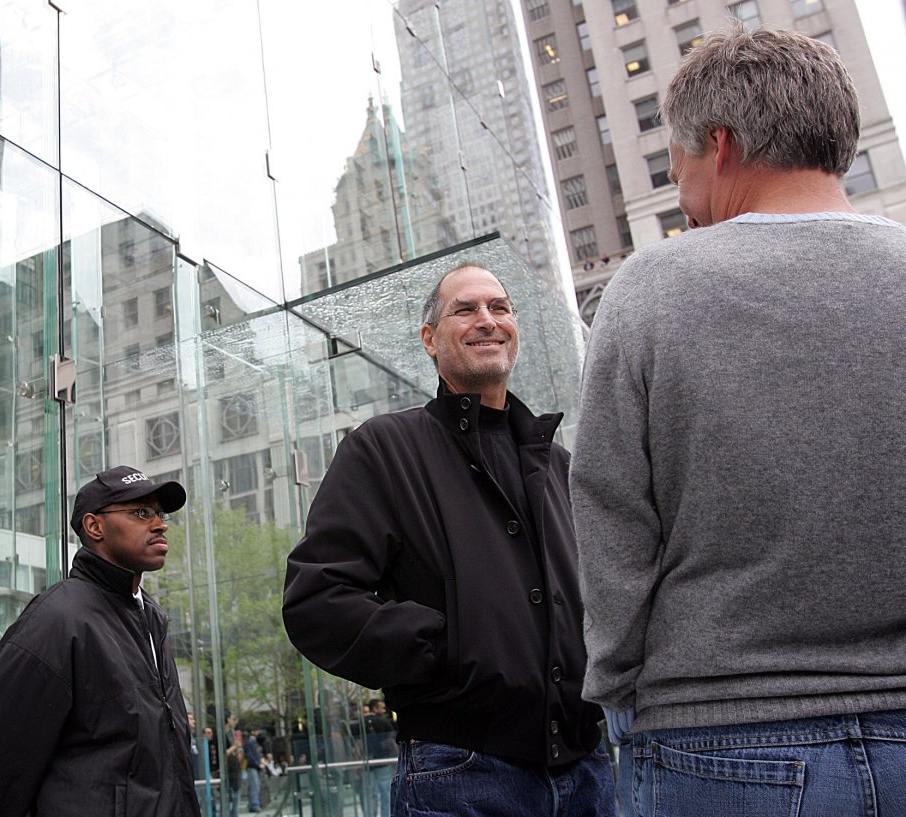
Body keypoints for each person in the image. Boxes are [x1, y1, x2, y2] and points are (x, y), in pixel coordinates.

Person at [571, 25, 906, 817]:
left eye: (678, 163)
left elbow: (614, 521)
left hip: (717, 742)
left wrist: (616, 683)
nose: (681, 191)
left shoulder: (651, 287)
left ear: (719, 146)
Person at [283, 262, 614, 816]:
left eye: (499, 308)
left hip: (587, 772)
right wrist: (451, 653)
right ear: (430, 340)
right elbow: (318, 600)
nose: (487, 320)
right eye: (466, 309)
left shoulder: (559, 466)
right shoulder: (384, 449)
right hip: (460, 774)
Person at [0, 466, 199, 817]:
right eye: (141, 512)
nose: (160, 524)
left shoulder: (151, 617)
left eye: (160, 514)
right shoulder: (57, 620)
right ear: (95, 527)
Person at [361, 699, 394, 817]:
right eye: (382, 708)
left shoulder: (361, 723)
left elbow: (358, 744)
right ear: (375, 709)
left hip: (367, 761)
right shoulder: (384, 722)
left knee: (370, 793)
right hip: (383, 760)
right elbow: (391, 741)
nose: (384, 710)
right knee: (386, 793)